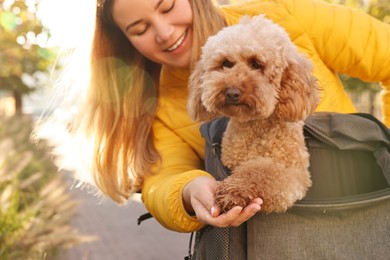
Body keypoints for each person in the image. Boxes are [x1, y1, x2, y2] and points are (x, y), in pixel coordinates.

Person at [73, 0, 390, 233]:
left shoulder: (287, 14)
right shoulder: (155, 102)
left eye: (168, 6)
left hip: (362, 214)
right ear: (126, 42)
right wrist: (189, 189)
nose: (165, 33)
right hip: (259, 241)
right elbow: (163, 177)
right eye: (140, 29)